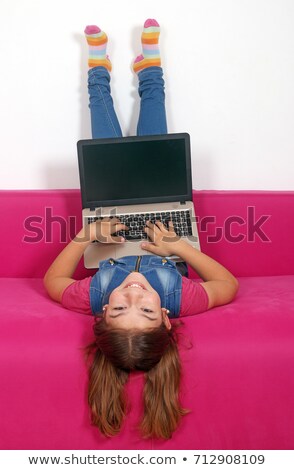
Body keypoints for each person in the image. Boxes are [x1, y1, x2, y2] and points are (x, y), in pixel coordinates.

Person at [44, 19, 239, 440]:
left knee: (103, 147)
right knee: (156, 141)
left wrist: (87, 236)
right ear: (166, 319)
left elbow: (54, 281)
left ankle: (98, 71)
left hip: (107, 223)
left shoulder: (91, 295)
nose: (133, 294)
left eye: (119, 307)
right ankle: (150, 69)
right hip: (166, 227)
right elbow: (228, 284)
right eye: (146, 309)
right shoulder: (182, 298)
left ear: (101, 314)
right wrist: (177, 246)